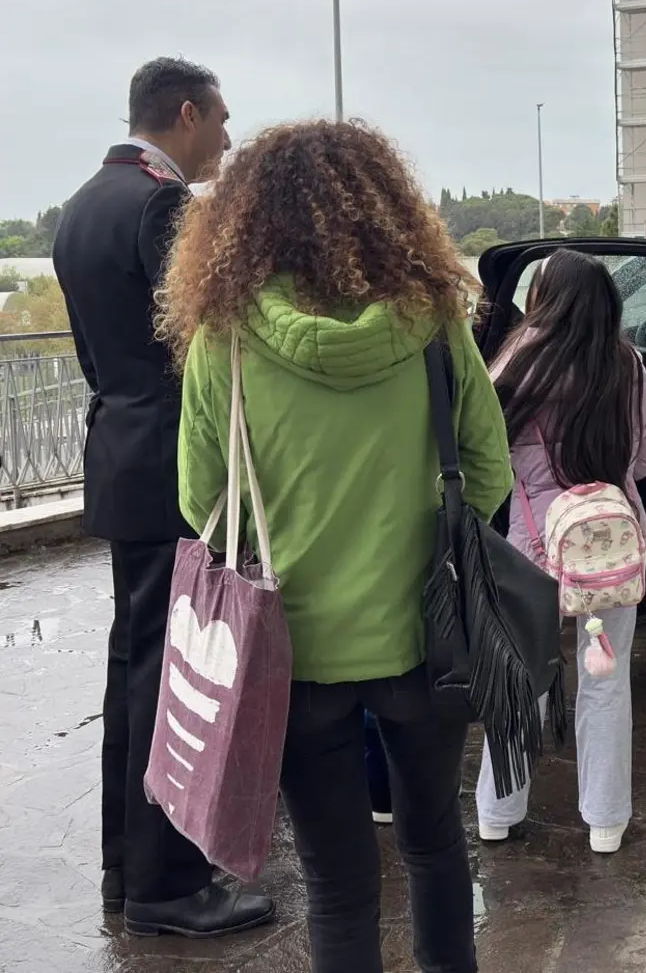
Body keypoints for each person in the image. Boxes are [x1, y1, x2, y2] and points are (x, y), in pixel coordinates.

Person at [158, 120, 512, 973]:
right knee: (434, 844)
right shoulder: (434, 321)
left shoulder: (227, 335)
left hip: (291, 655)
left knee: (337, 883)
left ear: (247, 220)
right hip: (428, 643)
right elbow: (491, 472)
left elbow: (200, 499)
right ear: (385, 208)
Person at [51, 57, 272, 937]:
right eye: (220, 119)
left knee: (132, 668)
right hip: (169, 468)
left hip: (118, 456)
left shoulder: (81, 205)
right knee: (170, 678)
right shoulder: (162, 206)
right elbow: (209, 346)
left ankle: (124, 865)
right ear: (185, 114)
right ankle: (169, 885)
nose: (226, 136)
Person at [475, 249, 646, 855]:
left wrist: (535, 488)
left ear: (542, 299)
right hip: (610, 545)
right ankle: (605, 822)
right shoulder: (626, 365)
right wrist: (607, 486)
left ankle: (497, 812)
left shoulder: (512, 364)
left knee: (520, 680)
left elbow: (486, 454)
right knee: (606, 680)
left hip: (531, 552)